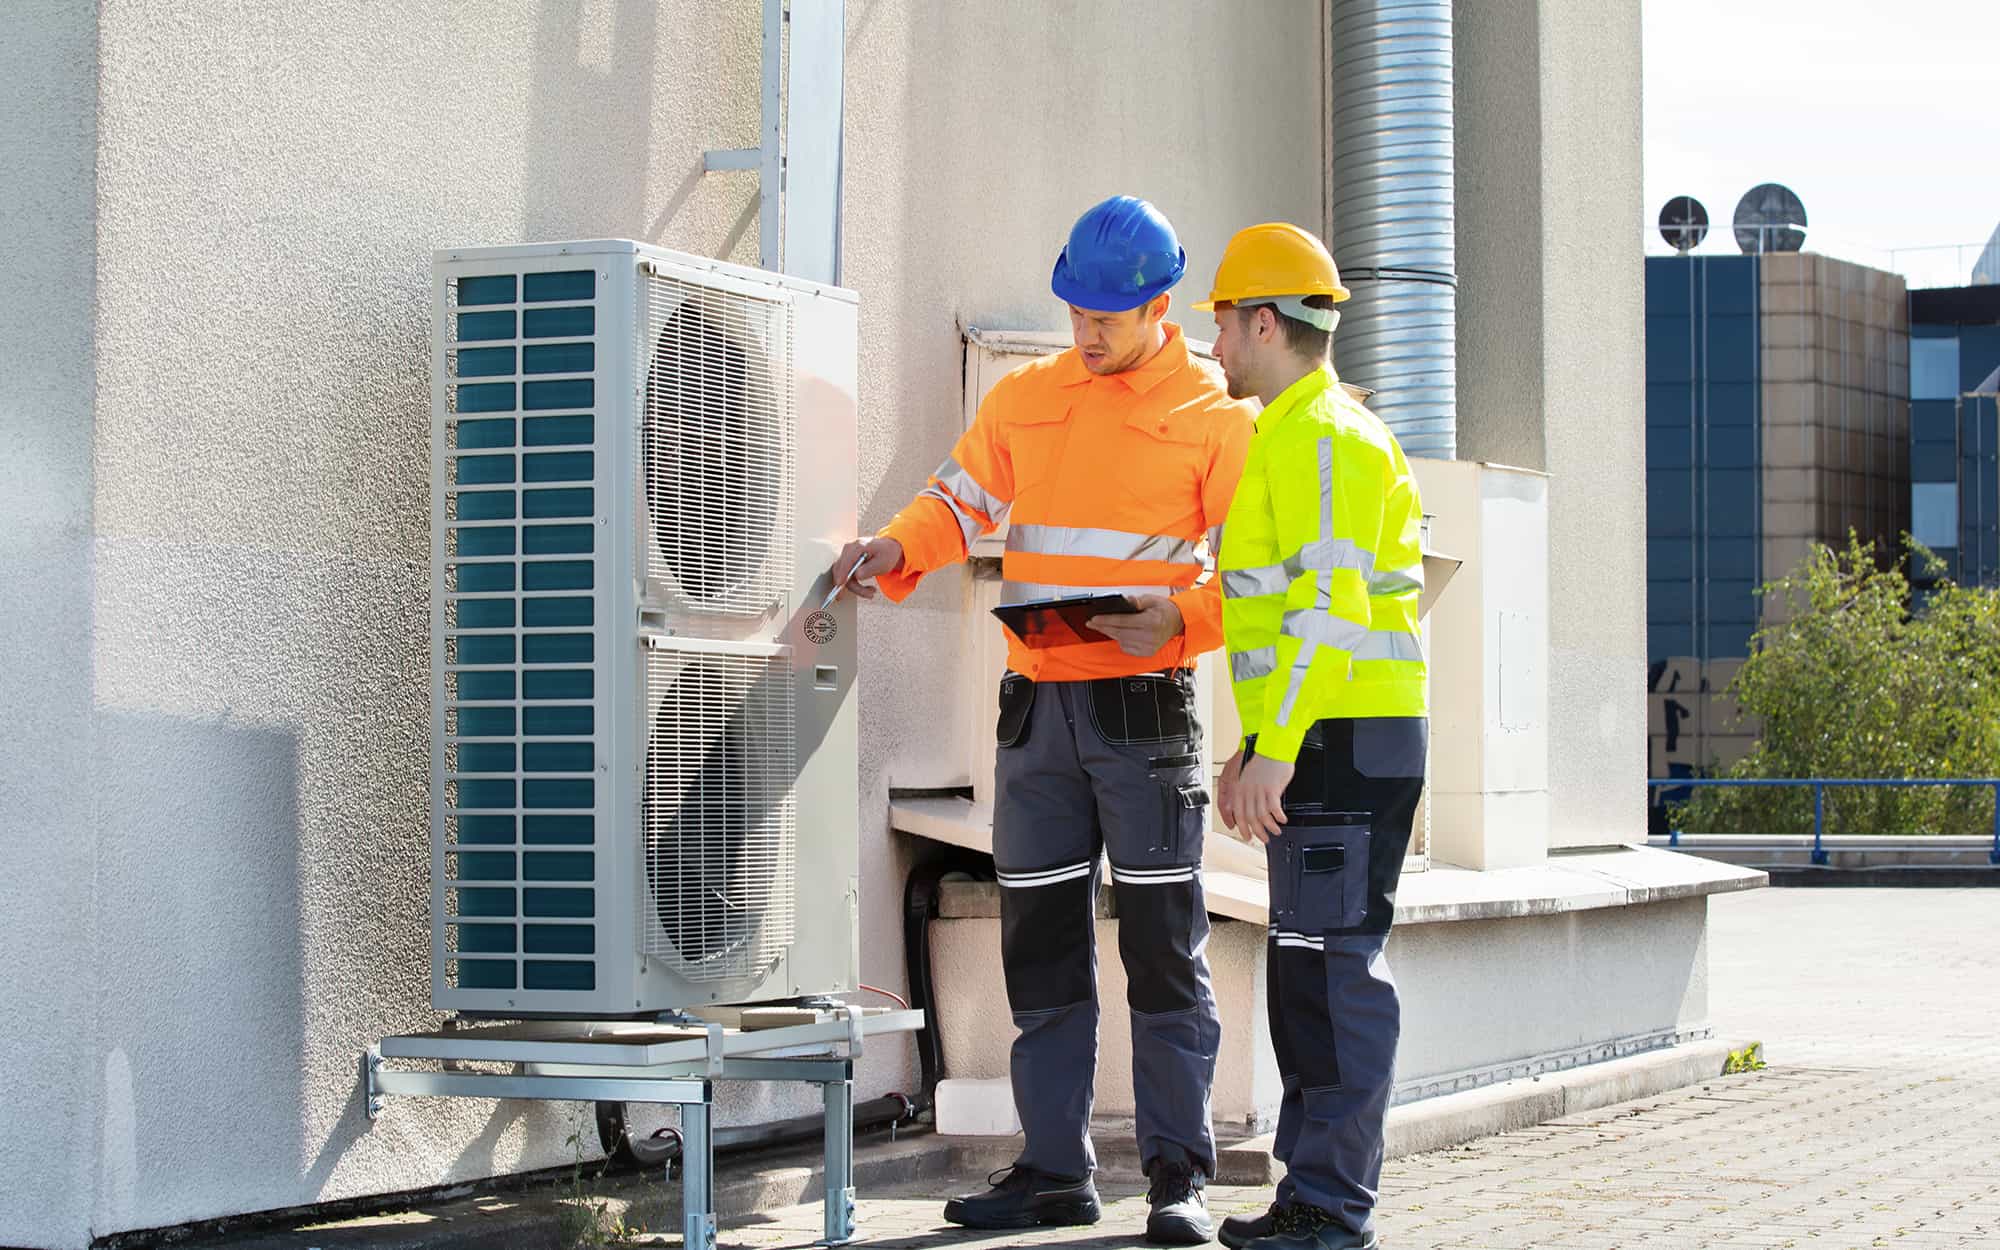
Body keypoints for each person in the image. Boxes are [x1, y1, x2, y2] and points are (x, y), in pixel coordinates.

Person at [825, 195, 1252, 1245]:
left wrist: (1178, 618)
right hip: (1036, 723)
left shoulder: (1216, 417)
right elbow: (957, 499)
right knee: (1042, 951)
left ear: (1161, 305)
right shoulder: (1027, 397)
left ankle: (1175, 1181)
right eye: (1074, 310)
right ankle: (1053, 1171)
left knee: (1161, 952)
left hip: (1144, 718)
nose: (1086, 330)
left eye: (1107, 314)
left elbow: (1254, 581)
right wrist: (894, 548)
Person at [1195, 223, 1429, 1250]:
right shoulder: (1297, 431)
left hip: (1341, 739)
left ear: (1261, 320)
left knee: (1333, 970)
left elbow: (1327, 613)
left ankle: (1332, 1206)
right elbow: (1283, 617)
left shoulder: (1322, 434)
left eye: (1219, 324)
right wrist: (1257, 744)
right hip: (1323, 735)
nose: (1212, 347)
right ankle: (1312, 1196)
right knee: (1304, 967)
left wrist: (1276, 745)